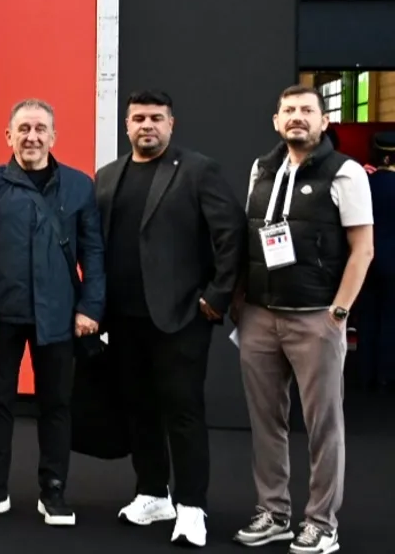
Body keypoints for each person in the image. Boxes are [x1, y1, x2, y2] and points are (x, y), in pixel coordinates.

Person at [94, 91, 246, 547]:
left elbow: (231, 234)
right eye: (139, 118)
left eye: (156, 118)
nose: (147, 125)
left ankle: (192, 506)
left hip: (181, 318)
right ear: (126, 125)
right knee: (139, 409)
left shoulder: (198, 170)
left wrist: (215, 297)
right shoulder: (107, 176)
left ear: (171, 124)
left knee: (183, 412)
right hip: (123, 318)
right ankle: (152, 493)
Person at [234, 84, 373, 554]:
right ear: (277, 121)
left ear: (323, 121)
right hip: (260, 316)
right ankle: (273, 513)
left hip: (315, 318)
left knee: (323, 426)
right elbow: (250, 238)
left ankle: (321, 523)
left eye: (307, 110)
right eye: (289, 110)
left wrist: (338, 313)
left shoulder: (345, 173)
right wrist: (241, 302)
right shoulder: (261, 169)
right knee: (266, 423)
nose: (297, 116)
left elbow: (363, 249)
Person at [0, 98, 105, 527]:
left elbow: (94, 252)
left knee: (57, 405)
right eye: (23, 129)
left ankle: (53, 492)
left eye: (40, 129)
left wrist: (90, 307)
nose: (32, 136)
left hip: (60, 316)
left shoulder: (79, 186)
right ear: (9, 136)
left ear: (53, 136)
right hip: (1, 316)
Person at [355, 131, 395, 392]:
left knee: (367, 316)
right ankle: (386, 373)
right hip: (393, 263)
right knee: (391, 317)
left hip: (365, 260)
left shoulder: (362, 185)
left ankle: (364, 372)